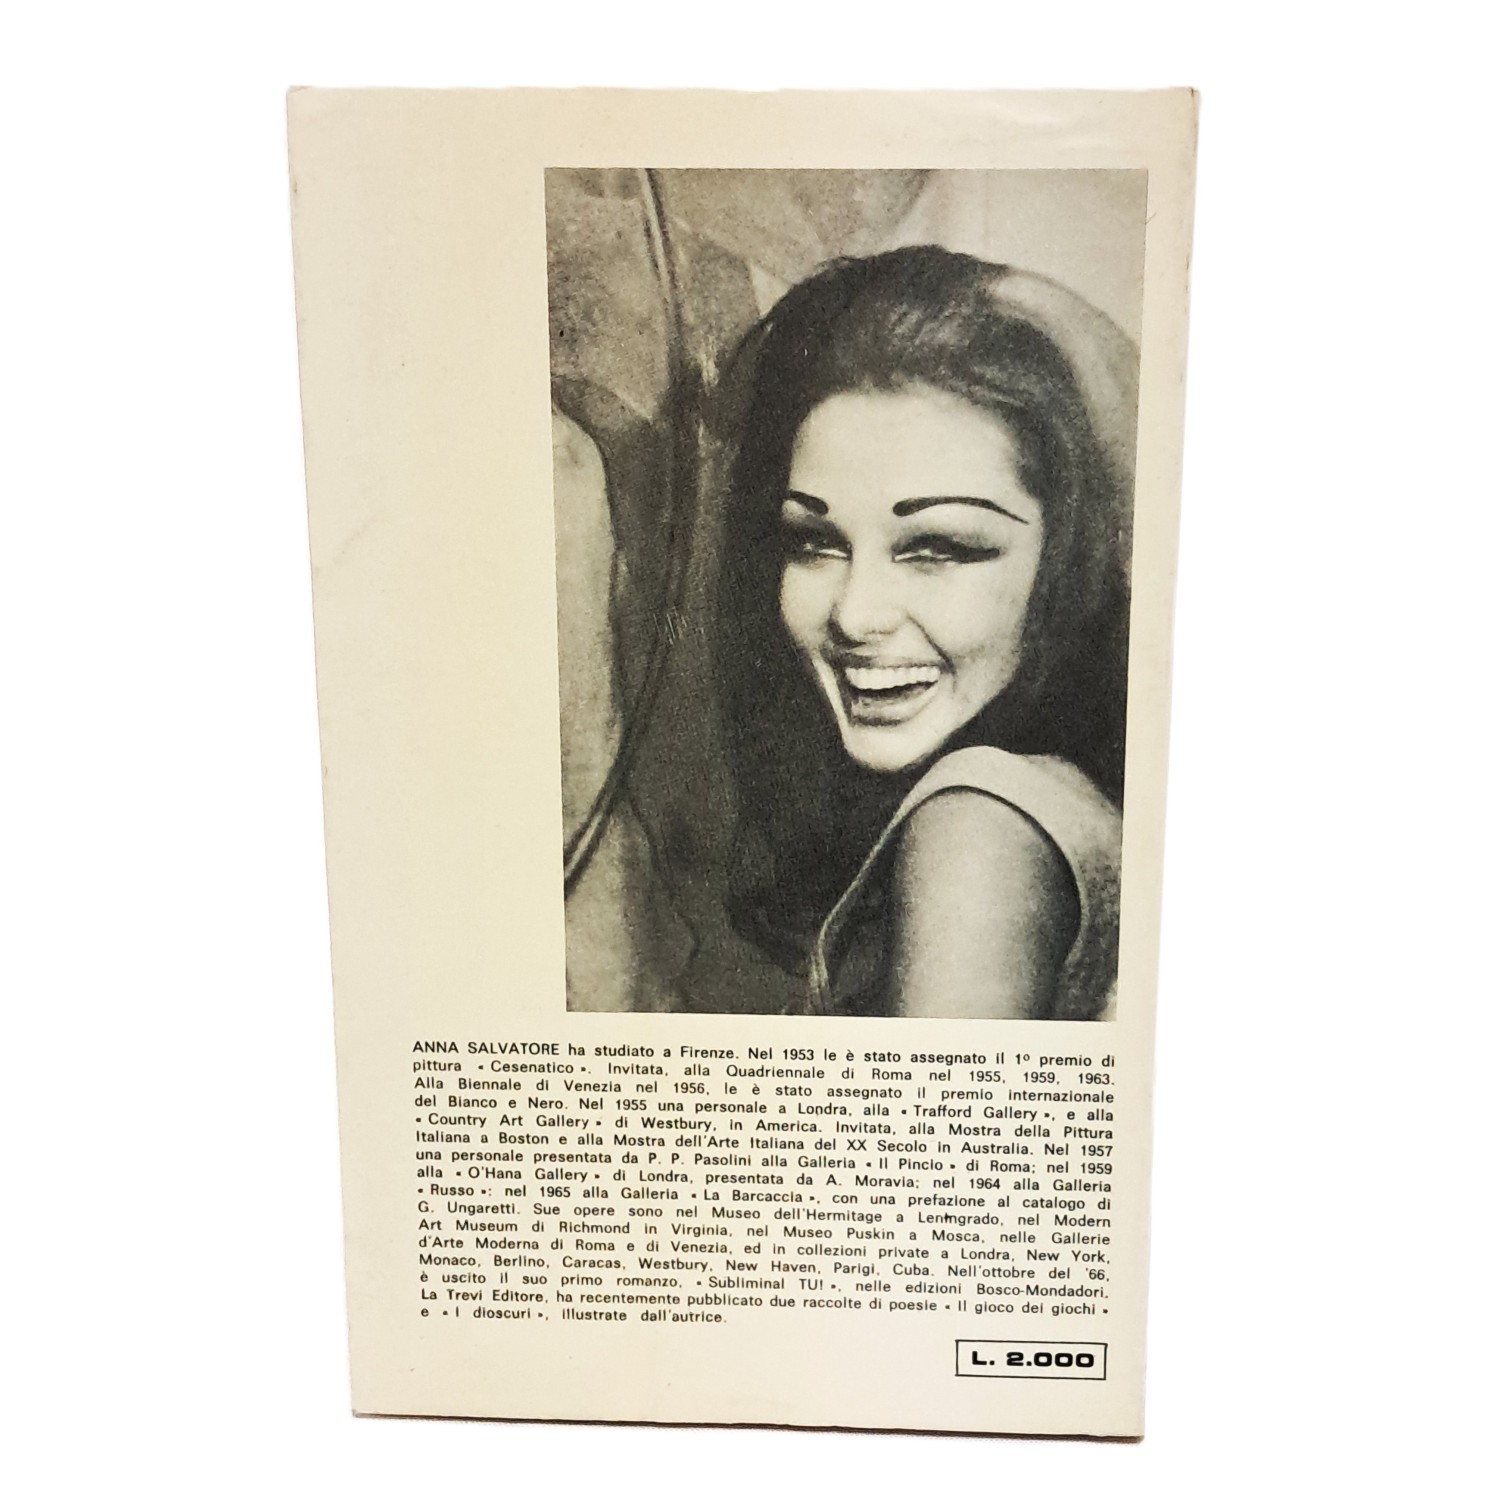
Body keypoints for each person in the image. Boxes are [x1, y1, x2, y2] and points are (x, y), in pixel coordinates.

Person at [713, 246, 1132, 1020]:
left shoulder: (980, 824)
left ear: (1066, 559)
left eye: (938, 547)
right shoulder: (1047, 801)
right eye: (815, 542)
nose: (854, 614)